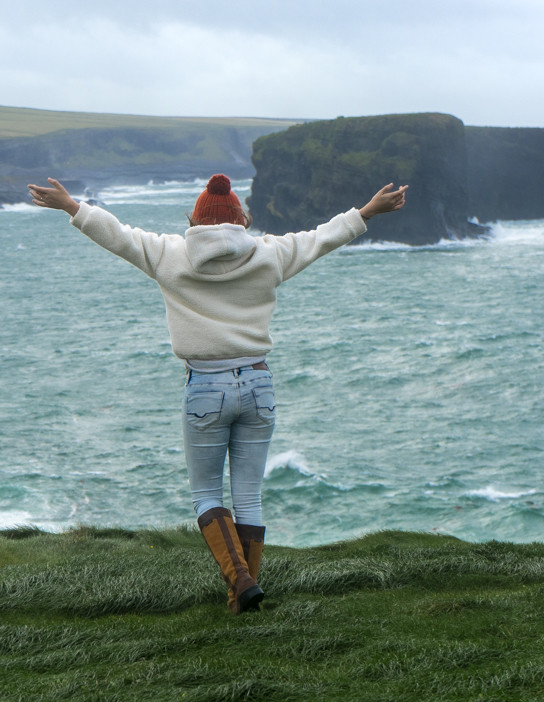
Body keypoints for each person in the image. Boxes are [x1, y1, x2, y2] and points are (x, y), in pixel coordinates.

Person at [28, 173, 407, 614]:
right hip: (259, 384)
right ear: (241, 220)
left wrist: (72, 206)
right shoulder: (269, 254)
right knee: (248, 496)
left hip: (206, 387)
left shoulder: (169, 253)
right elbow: (321, 238)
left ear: (195, 219)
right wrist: (366, 212)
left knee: (207, 494)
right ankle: (240, 597)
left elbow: (118, 236)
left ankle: (240, 580)